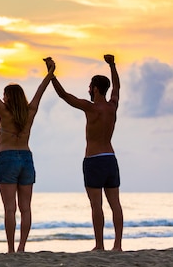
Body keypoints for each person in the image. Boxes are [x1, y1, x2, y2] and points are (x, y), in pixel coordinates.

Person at [0, 56, 55, 253]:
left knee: (10, 208)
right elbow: (40, 91)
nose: (3, 98)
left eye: (4, 95)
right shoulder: (30, 111)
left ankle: (10, 248)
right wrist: (50, 73)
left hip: (7, 158)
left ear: (8, 97)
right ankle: (22, 247)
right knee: (25, 208)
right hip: (26, 158)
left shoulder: (4, 113)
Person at [50, 54, 123, 251]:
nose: (88, 89)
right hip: (110, 158)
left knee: (96, 205)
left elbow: (64, 96)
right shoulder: (112, 106)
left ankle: (99, 245)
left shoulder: (90, 108)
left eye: (90, 86)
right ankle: (117, 245)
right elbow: (117, 88)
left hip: (93, 160)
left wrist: (51, 75)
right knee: (115, 203)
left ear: (96, 89)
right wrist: (113, 65)